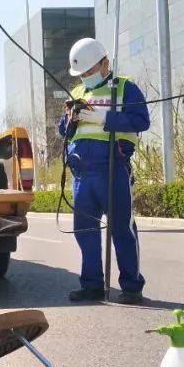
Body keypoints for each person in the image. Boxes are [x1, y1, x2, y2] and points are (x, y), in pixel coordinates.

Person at [57, 38, 150, 304]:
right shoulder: (76, 93)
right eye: (82, 74)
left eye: (89, 71)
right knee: (84, 230)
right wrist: (70, 120)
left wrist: (104, 118)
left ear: (105, 63)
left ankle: (131, 286)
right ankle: (92, 285)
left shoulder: (124, 89)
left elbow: (141, 121)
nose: (85, 77)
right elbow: (63, 131)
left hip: (113, 168)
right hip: (81, 174)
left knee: (121, 228)